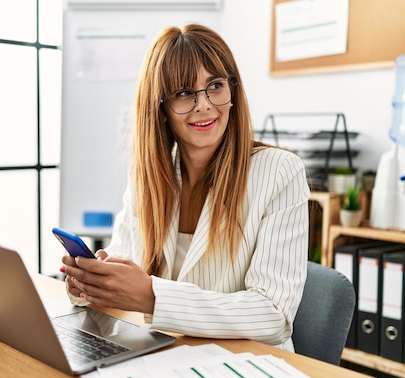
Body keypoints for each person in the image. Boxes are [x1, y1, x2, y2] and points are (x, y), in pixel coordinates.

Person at [60, 24, 309, 351]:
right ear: (160, 108)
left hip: (248, 368)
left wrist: (151, 296)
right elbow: (122, 265)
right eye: (183, 93)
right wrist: (94, 284)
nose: (204, 105)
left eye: (215, 86)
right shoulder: (148, 177)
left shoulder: (280, 172)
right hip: (165, 359)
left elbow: (273, 315)